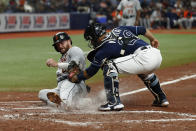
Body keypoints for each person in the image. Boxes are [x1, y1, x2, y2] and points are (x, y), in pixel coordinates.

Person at [69, 23, 169, 111]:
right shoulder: (119, 29)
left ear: (95, 37)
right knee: (143, 70)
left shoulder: (104, 49)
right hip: (155, 54)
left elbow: (91, 71)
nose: (91, 42)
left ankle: (113, 102)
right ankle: (161, 98)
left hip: (143, 57)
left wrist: (77, 77)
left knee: (109, 65)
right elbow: (142, 29)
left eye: (91, 39)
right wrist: (153, 39)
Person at [38, 32, 90, 108]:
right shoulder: (62, 58)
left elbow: (74, 66)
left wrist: (56, 64)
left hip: (74, 84)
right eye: (57, 45)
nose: (60, 46)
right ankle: (80, 102)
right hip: (62, 88)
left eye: (62, 43)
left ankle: (65, 103)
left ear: (69, 41)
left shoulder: (74, 50)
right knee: (42, 94)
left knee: (67, 83)